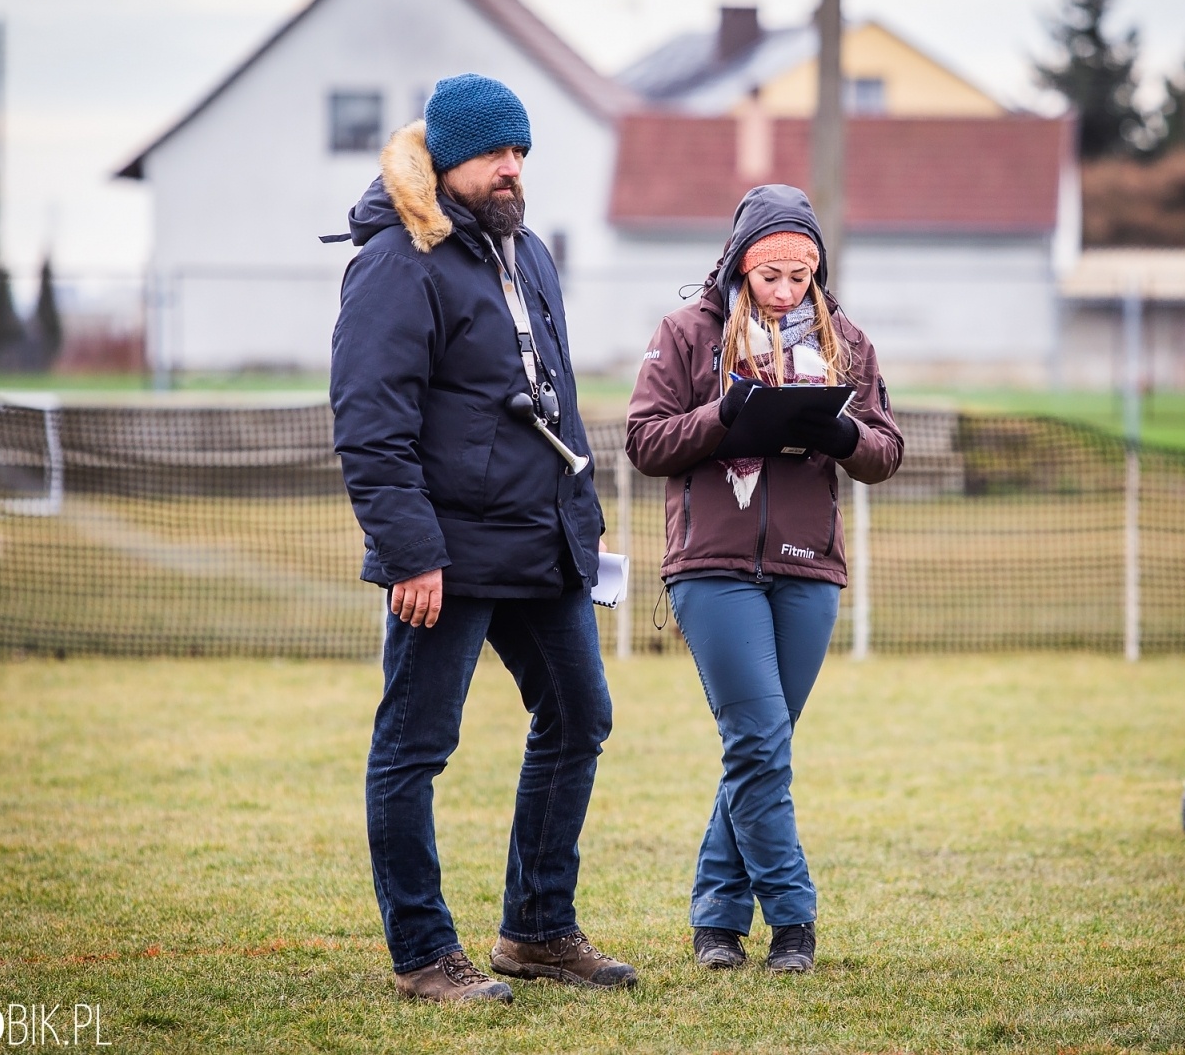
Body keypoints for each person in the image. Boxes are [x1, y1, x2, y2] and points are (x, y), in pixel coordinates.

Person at [329, 73, 635, 1003]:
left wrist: (580, 523)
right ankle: (424, 953)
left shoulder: (526, 250)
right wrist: (412, 550)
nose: (511, 170)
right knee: (415, 748)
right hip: (446, 558)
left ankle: (537, 930)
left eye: (521, 153)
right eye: (494, 154)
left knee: (581, 715)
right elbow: (369, 423)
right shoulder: (397, 261)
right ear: (446, 158)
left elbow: (557, 403)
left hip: (542, 547)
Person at [624, 185, 904, 973]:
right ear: (741, 265)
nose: (785, 291)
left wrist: (843, 429)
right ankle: (793, 919)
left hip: (809, 569)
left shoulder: (845, 339)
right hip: (711, 570)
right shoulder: (686, 334)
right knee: (758, 741)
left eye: (800, 276)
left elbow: (885, 449)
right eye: (770, 274)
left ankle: (716, 919)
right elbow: (644, 440)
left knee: (761, 747)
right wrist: (727, 416)